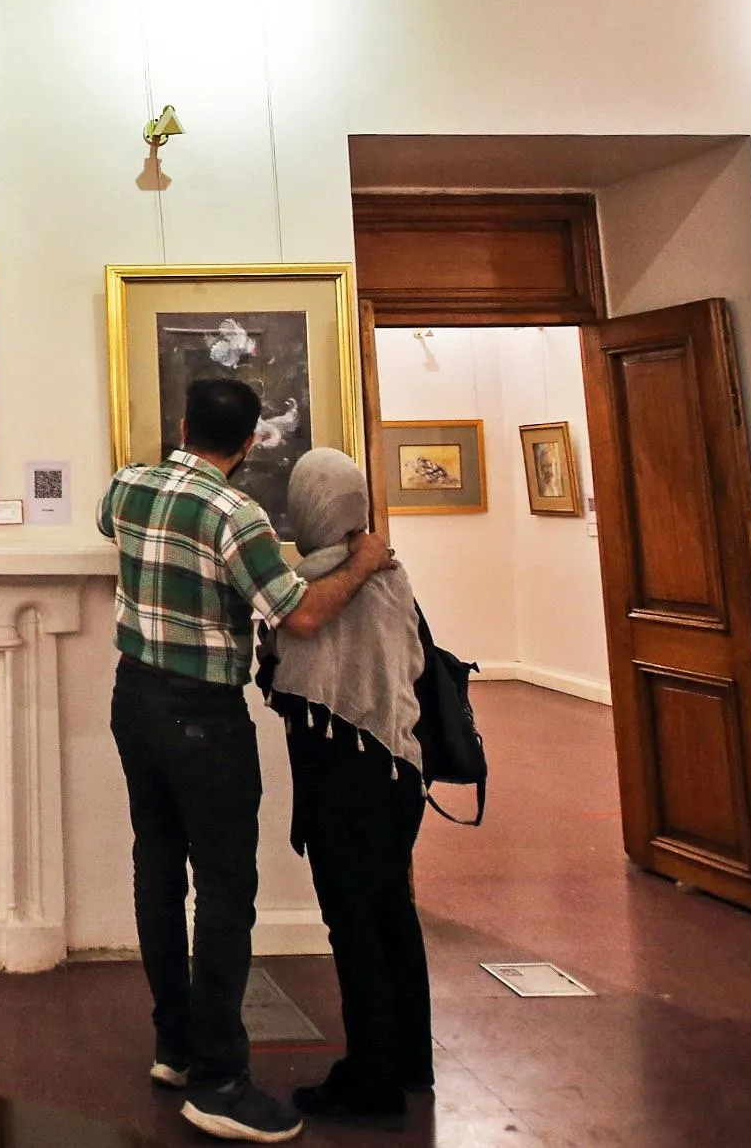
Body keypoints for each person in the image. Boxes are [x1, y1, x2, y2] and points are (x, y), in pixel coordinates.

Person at [99, 378, 395, 1145]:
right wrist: (362, 562)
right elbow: (299, 614)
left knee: (157, 869)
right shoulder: (238, 514)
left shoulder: (128, 485)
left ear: (182, 424)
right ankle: (219, 1080)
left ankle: (174, 1045)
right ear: (250, 442)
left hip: (133, 699)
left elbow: (110, 525)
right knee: (225, 890)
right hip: (203, 715)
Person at [258, 448, 433, 1129]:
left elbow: (288, 673)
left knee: (352, 923)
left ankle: (371, 1080)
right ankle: (410, 1059)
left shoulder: (306, 586)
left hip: (343, 775)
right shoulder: (394, 573)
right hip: (400, 768)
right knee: (392, 914)